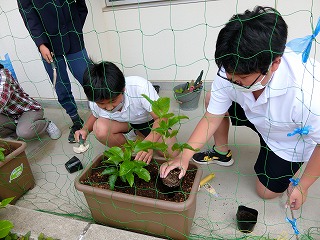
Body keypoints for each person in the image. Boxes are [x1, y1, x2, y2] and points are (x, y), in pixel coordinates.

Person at [160, 6, 320, 211]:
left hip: (289, 138)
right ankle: (221, 152)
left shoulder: (308, 94)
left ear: (274, 64)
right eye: (229, 75)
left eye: (242, 79)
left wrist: (303, 186)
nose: (233, 80)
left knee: (266, 193)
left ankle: (274, 155)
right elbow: (212, 117)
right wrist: (184, 156)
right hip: (258, 116)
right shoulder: (232, 68)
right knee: (211, 99)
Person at [76, 61, 179, 163]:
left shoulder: (139, 87)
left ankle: (141, 136)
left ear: (123, 89)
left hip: (149, 123)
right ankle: (129, 154)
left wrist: (149, 144)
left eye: (113, 101)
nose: (108, 107)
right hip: (124, 125)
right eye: (102, 104)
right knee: (100, 129)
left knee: (172, 153)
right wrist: (85, 129)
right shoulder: (95, 99)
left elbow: (162, 118)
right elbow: (95, 115)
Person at [17, 0, 90, 143]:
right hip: (47, 43)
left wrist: (76, 26)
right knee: (61, 86)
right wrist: (41, 44)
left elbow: (81, 5)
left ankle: (105, 112)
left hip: (73, 34)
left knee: (88, 78)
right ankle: (76, 120)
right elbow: (29, 15)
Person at [0, 64, 61, 140]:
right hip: (9, 115)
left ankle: (46, 124)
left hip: (27, 110)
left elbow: (2, 98)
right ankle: (14, 134)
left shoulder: (4, 75)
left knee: (25, 132)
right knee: (18, 132)